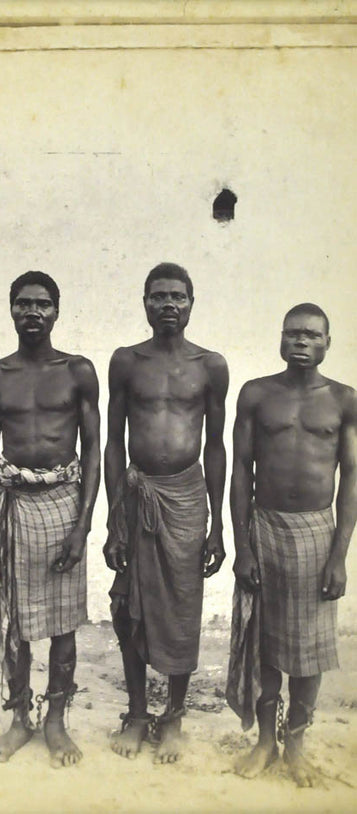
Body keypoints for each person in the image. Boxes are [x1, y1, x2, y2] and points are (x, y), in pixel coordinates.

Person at [103, 262, 228, 763]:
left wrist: (217, 524)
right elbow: (113, 440)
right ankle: (137, 712)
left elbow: (215, 446)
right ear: (145, 303)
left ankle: (173, 715)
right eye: (158, 296)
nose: (168, 305)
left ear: (192, 303)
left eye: (178, 296)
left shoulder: (210, 365)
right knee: (126, 605)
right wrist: (114, 514)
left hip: (185, 498)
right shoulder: (126, 361)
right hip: (137, 494)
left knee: (182, 606)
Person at [229, 303, 357, 787]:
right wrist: (243, 546)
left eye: (312, 335)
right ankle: (265, 740)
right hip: (265, 527)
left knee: (309, 650)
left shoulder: (344, 400)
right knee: (263, 642)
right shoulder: (257, 395)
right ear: (280, 340)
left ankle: (296, 742)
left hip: (316, 533)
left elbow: (352, 481)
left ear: (328, 343)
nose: (301, 341)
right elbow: (241, 471)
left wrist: (339, 556)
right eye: (293, 334)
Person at [0, 270, 100, 768]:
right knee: (16, 624)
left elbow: (93, 449)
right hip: (15, 509)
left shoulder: (78, 371)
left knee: (63, 624)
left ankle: (56, 720)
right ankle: (19, 719)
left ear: (57, 311)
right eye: (24, 304)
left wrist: (84, 525)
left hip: (64, 503)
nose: (33, 312)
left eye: (43, 304)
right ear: (11, 309)